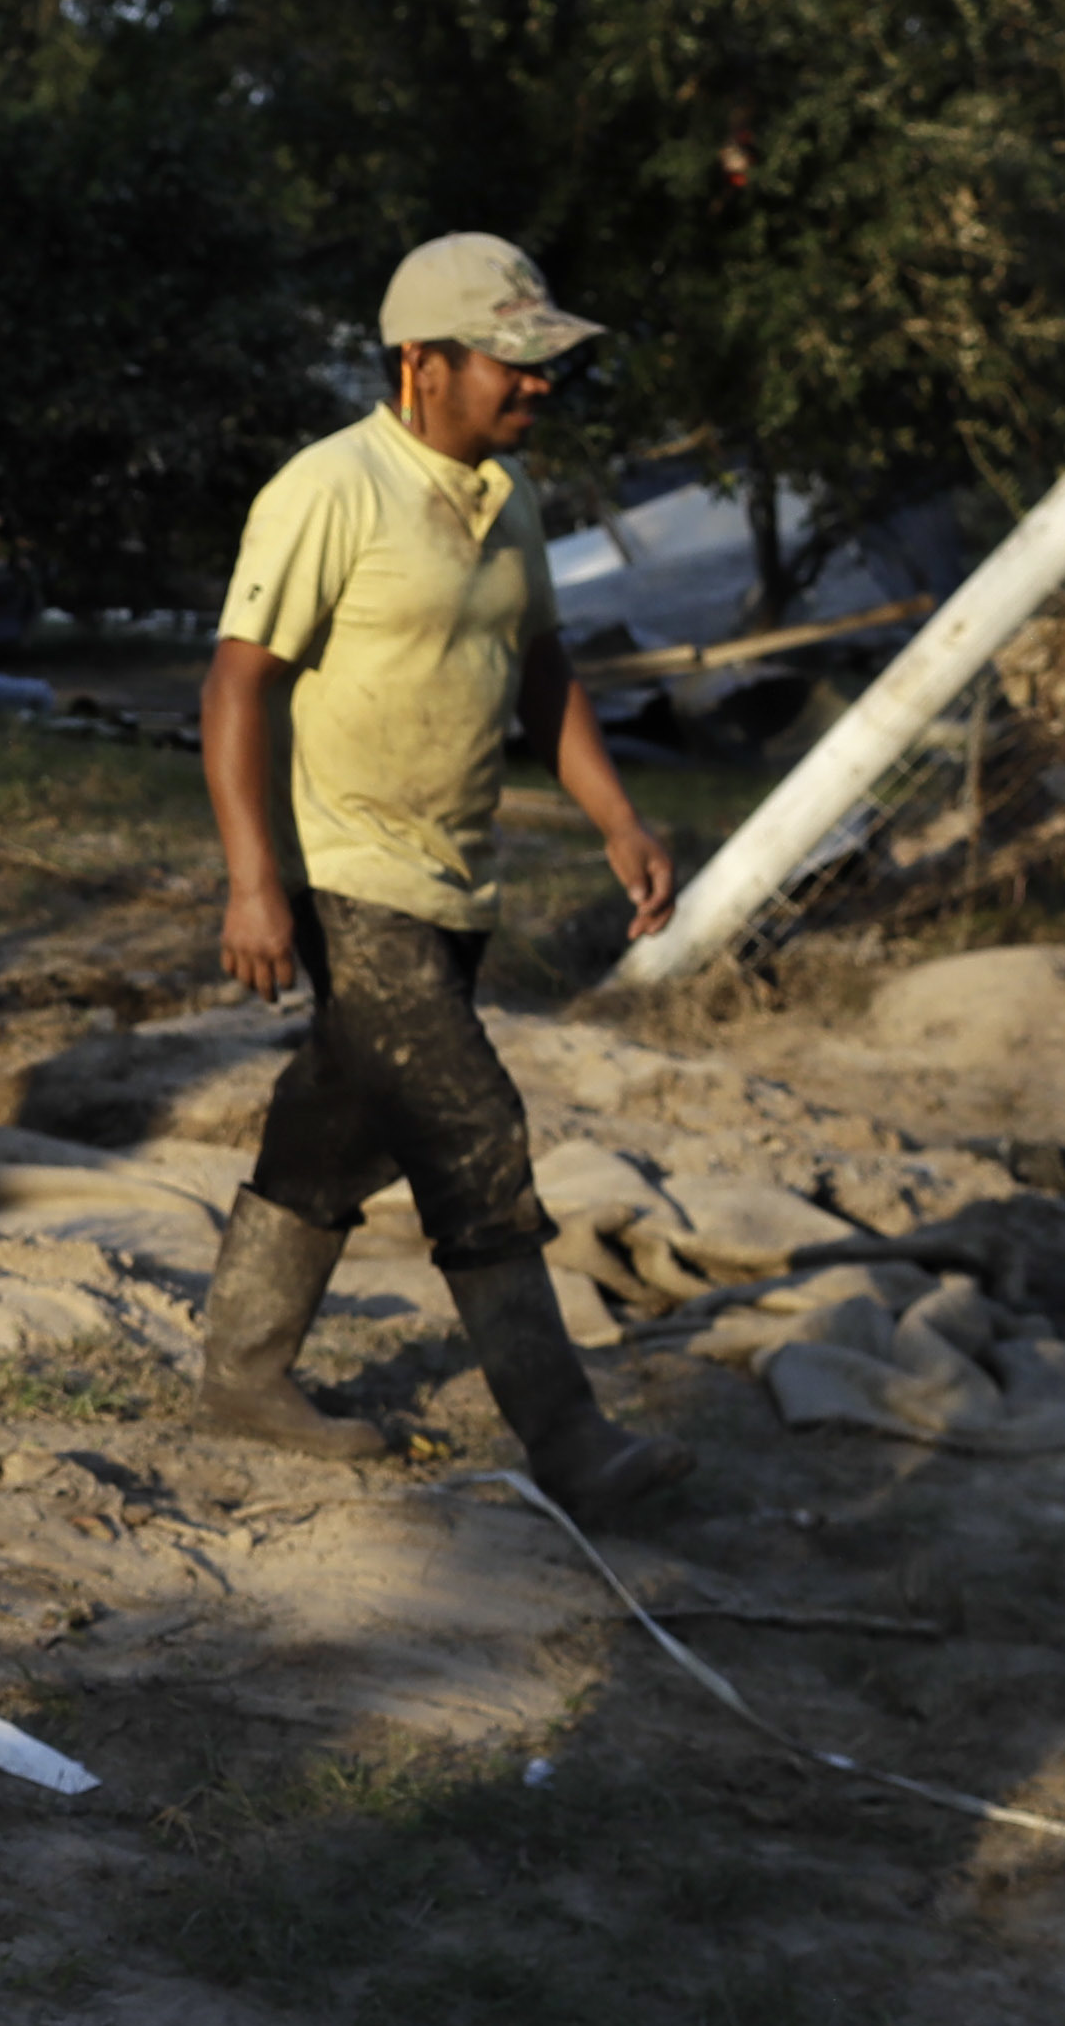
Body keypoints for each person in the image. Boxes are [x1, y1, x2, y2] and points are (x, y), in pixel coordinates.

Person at [194, 232, 694, 1525]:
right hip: (349, 874)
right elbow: (236, 683)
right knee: (472, 1128)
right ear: (420, 362)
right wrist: (254, 881)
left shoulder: (508, 497)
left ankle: (243, 1370)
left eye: (545, 367)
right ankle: (571, 1440)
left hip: (452, 877)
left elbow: (541, 672)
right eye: (511, 364)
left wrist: (619, 823)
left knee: (337, 1118)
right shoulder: (331, 488)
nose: (537, 388)